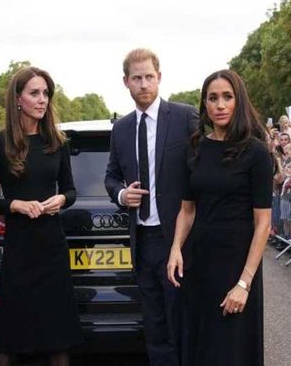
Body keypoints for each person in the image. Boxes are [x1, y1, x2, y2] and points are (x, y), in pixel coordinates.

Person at [0, 66, 80, 366]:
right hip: (20, 251)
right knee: (12, 339)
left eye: (46, 93)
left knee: (57, 339)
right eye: (34, 93)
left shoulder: (57, 142)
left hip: (52, 248)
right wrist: (14, 205)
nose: (42, 99)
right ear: (17, 99)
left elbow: (70, 191)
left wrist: (61, 199)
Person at [166, 69, 271, 365]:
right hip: (199, 263)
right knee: (201, 346)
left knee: (232, 349)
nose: (220, 105)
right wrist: (175, 249)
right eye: (212, 98)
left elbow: (263, 223)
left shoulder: (256, 153)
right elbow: (187, 210)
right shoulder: (196, 147)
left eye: (227, 97)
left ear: (239, 102)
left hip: (236, 264)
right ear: (204, 105)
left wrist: (244, 283)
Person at [104, 48, 197, 365]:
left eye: (149, 77)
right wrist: (120, 195)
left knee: (181, 322)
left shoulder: (185, 118)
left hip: (178, 242)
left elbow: (205, 171)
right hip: (142, 242)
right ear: (126, 82)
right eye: (136, 78)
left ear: (159, 78)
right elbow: (111, 176)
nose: (143, 84)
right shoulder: (121, 128)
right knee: (155, 326)